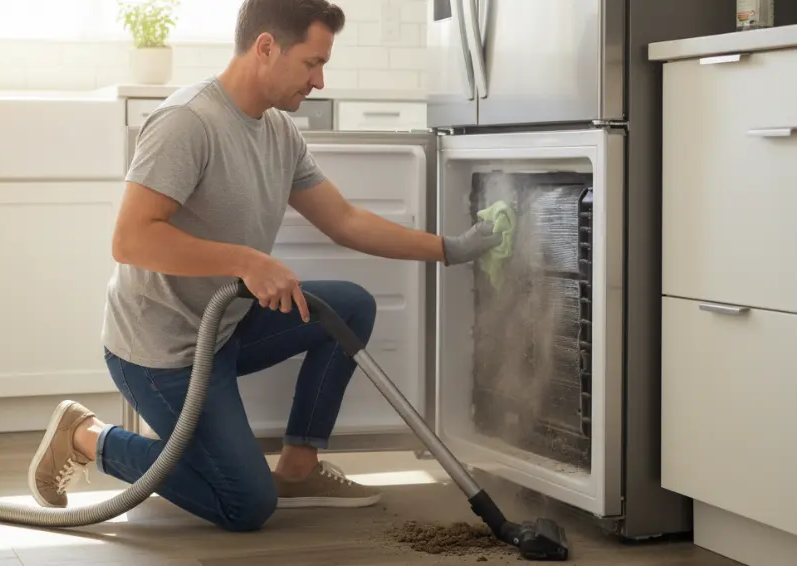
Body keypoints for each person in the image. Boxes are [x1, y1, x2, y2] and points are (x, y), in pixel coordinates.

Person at [27, 0, 501, 531]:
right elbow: (130, 239)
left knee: (348, 306)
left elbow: (343, 220)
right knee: (245, 504)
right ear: (267, 47)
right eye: (311, 63)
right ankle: (87, 436)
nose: (319, 81)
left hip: (224, 329)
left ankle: (299, 469)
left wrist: (449, 248)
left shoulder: (278, 132)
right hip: (161, 354)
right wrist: (246, 261)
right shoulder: (187, 123)